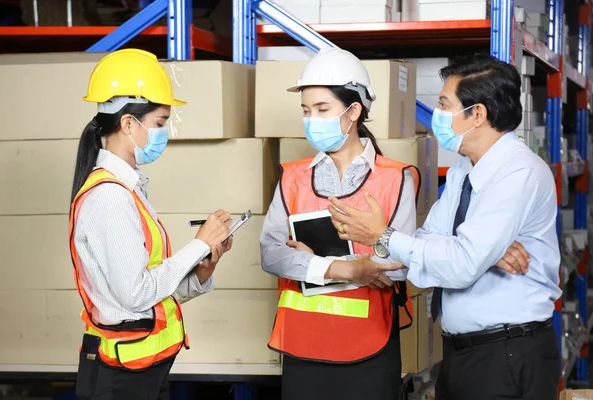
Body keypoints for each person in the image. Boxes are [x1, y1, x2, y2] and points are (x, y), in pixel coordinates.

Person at [330, 53, 562, 400]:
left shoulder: (518, 173)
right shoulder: (462, 172)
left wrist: (384, 236)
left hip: (508, 353)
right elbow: (428, 244)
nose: (436, 116)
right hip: (461, 354)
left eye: (443, 105)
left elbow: (461, 265)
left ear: (478, 114)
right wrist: (479, 251)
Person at [69, 48, 233, 400]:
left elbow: (148, 297)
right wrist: (198, 245)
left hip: (142, 366)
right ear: (129, 123)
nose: (164, 133)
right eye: (160, 122)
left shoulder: (128, 189)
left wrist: (201, 269)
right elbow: (136, 294)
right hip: (123, 375)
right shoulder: (110, 197)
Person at [259, 47, 420, 400]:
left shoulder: (396, 178)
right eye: (305, 110)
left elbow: (399, 265)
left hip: (370, 348)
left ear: (353, 112)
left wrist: (310, 261)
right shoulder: (293, 178)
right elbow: (271, 255)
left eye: (322, 109)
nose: (311, 119)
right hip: (303, 346)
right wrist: (349, 269)